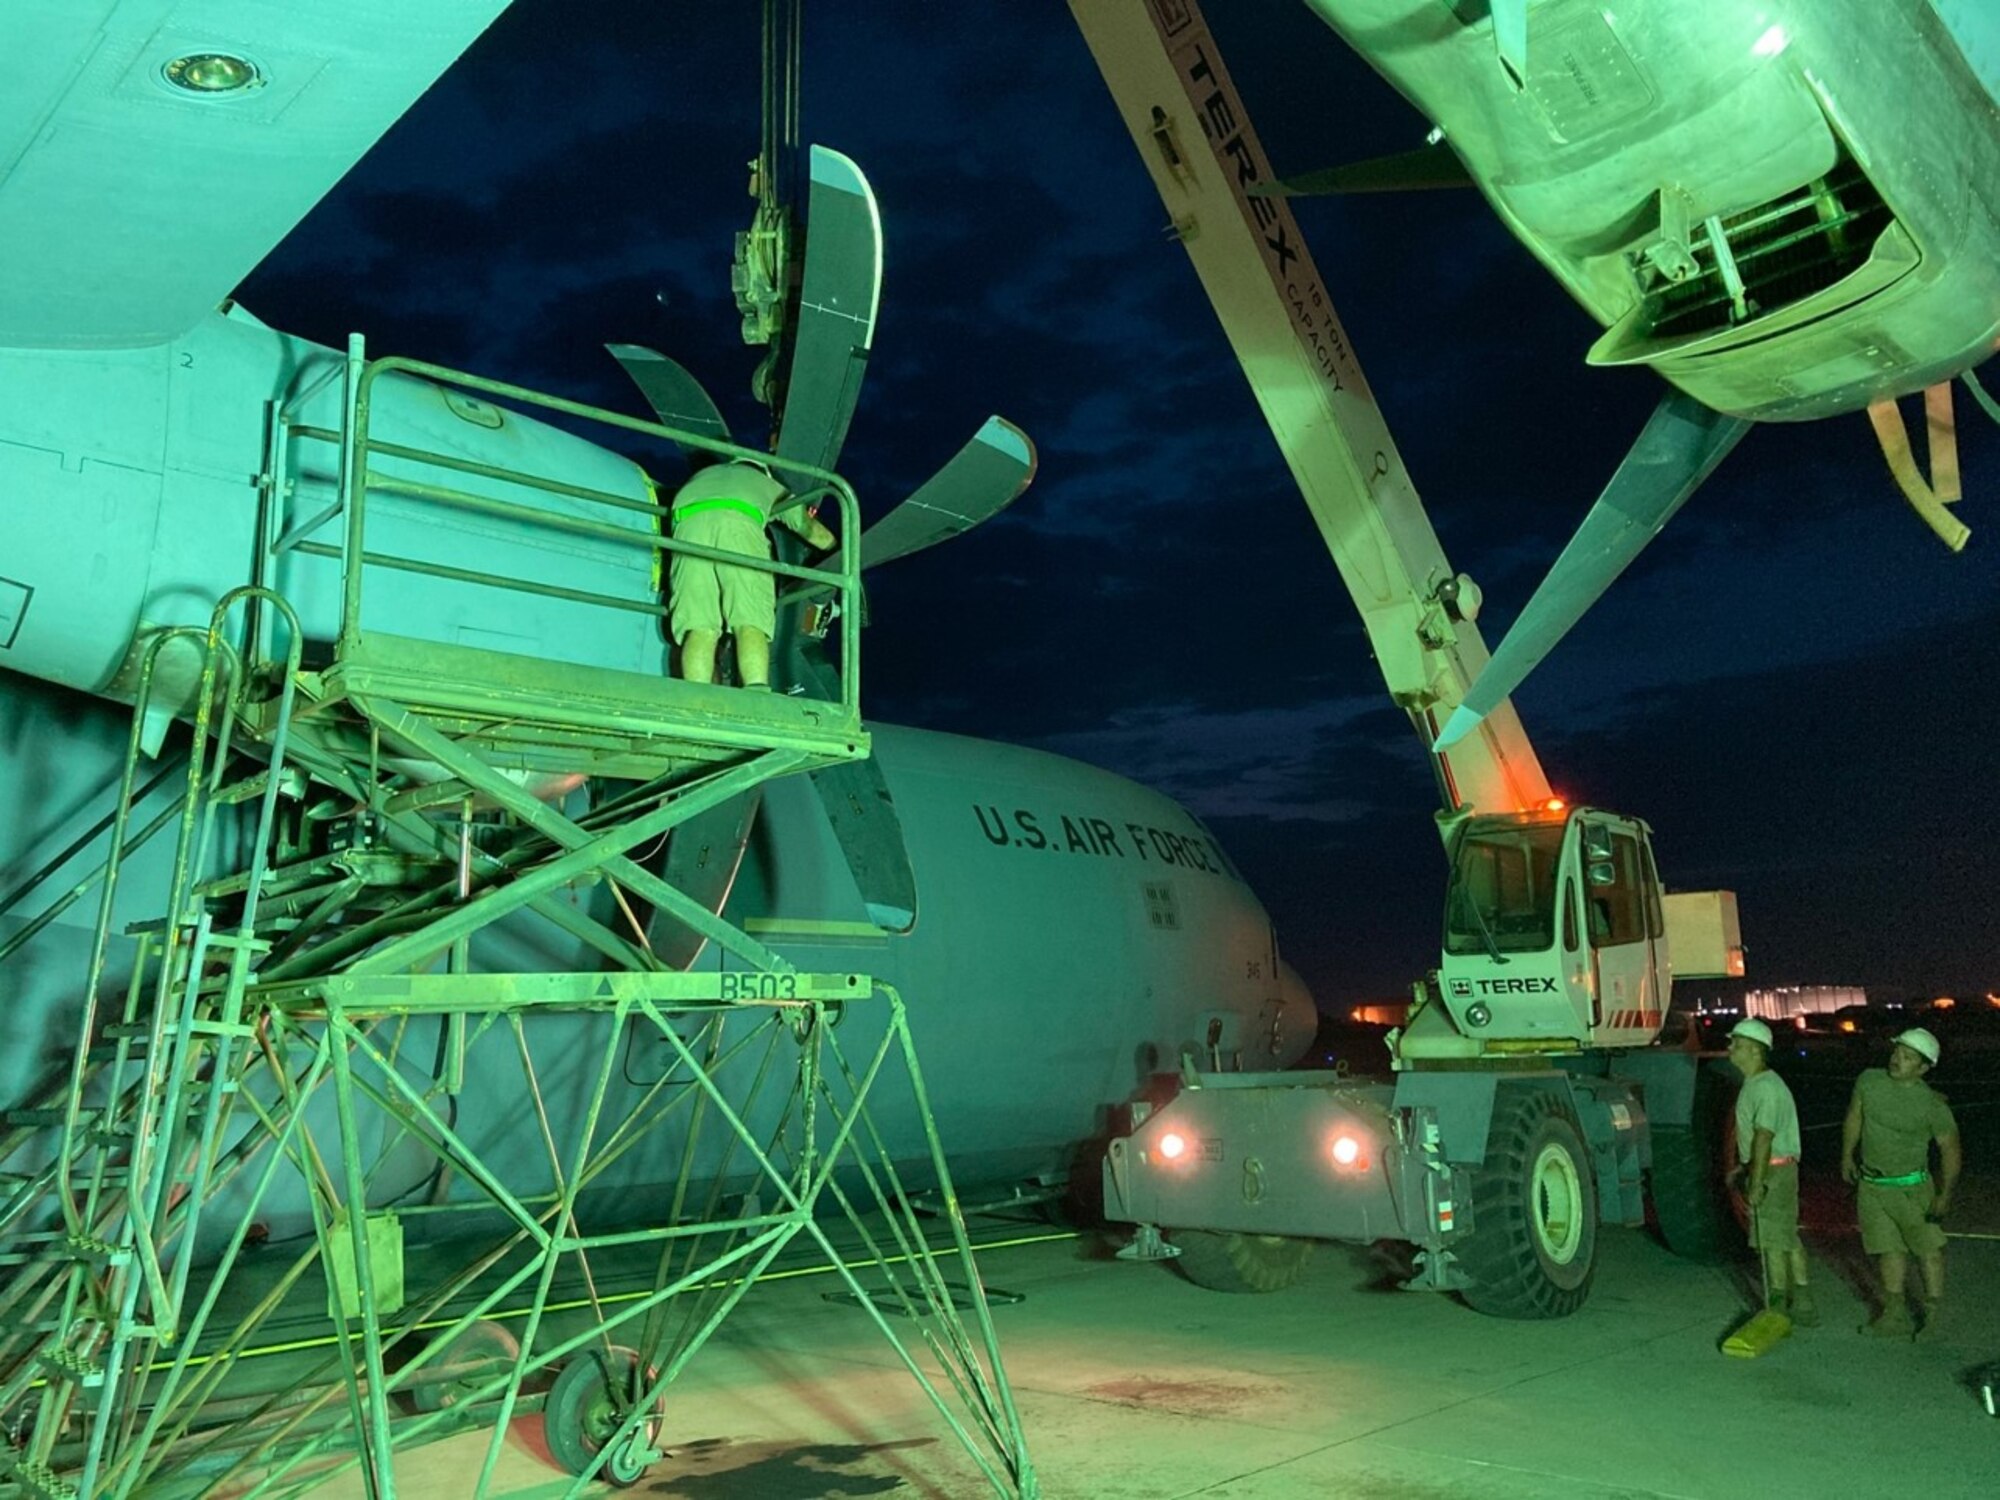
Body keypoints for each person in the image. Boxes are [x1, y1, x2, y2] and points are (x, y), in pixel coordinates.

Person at [666, 454, 834, 687]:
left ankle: (697, 692)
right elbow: (809, 528)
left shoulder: (701, 477)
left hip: (687, 529)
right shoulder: (767, 483)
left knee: (699, 625)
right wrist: (838, 552)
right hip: (737, 525)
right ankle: (757, 691)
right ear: (762, 471)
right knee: (749, 619)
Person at [1841, 1026, 1961, 1340]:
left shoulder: (1933, 1106)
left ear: (1923, 1068)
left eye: (1908, 1057)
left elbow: (1950, 1149)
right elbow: (1855, 1116)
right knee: (1888, 1249)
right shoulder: (1869, 1080)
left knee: (1928, 1250)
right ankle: (1894, 1314)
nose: (1897, 1059)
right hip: (1872, 1186)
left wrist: (1945, 1194)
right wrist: (1846, 1156)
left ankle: (1933, 1317)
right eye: (1897, 1052)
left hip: (1912, 1189)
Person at [1725, 1018, 1815, 1325]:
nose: (1730, 1049)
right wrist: (1744, 1167)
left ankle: (1778, 1306)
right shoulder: (1761, 1084)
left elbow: (1765, 1137)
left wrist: (1757, 1181)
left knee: (1773, 1243)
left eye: (1735, 1044)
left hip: (1774, 1172)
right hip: (1775, 1167)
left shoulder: (1765, 1089)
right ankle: (1801, 1301)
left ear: (1753, 1049)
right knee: (1786, 1237)